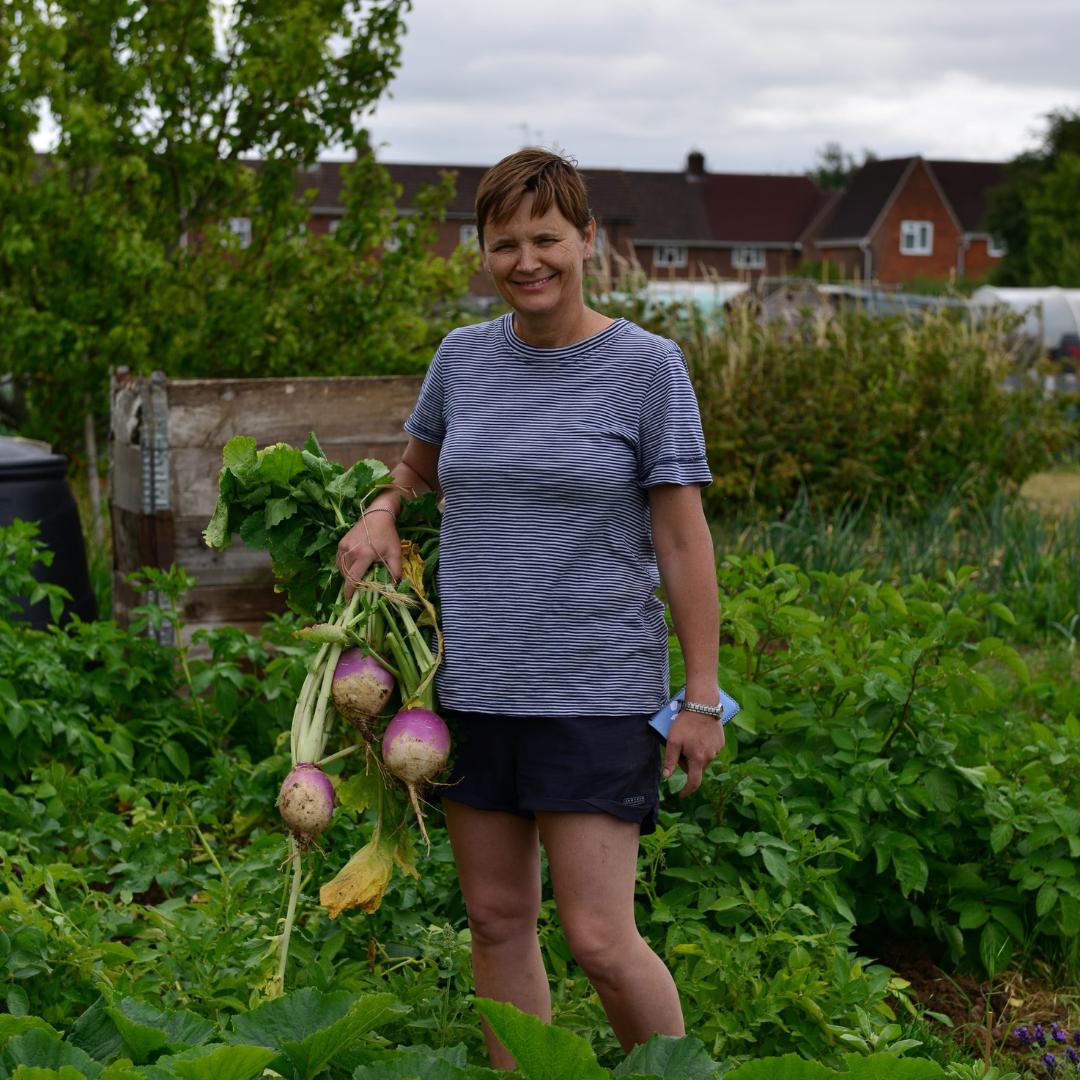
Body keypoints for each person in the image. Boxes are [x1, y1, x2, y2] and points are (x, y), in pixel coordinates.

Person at [336, 147, 724, 1069]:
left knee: (598, 938)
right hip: (469, 690)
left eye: (546, 238)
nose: (526, 260)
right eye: (504, 243)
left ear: (588, 241)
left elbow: (683, 538)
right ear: (482, 252)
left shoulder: (647, 368)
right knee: (497, 920)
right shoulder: (462, 358)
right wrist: (382, 509)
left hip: (595, 694)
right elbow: (417, 469)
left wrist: (702, 692)